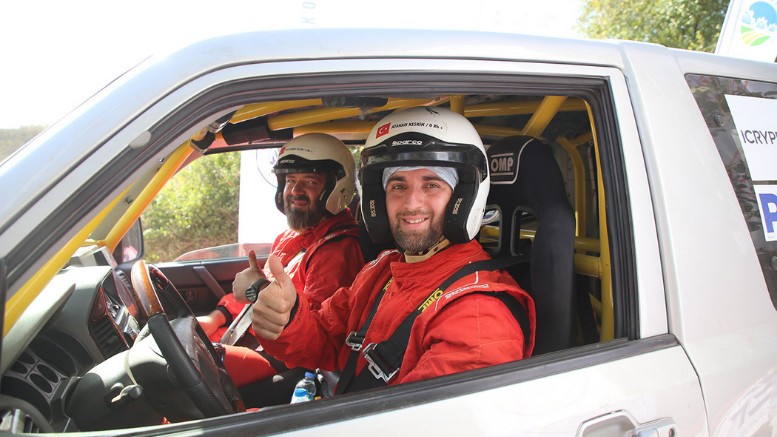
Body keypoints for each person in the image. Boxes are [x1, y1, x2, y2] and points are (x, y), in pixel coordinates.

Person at [249, 107, 536, 394]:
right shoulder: (383, 270)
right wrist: (286, 319)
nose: (412, 204)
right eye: (398, 186)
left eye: (432, 185)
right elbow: (327, 337)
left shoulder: (478, 319)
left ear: (462, 199)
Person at [197, 133, 366, 386]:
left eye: (310, 181)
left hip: (281, 361)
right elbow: (254, 297)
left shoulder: (338, 251)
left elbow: (315, 335)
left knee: (181, 363)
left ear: (336, 187)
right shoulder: (292, 237)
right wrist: (216, 317)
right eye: (289, 180)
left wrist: (258, 289)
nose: (295, 191)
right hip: (248, 336)